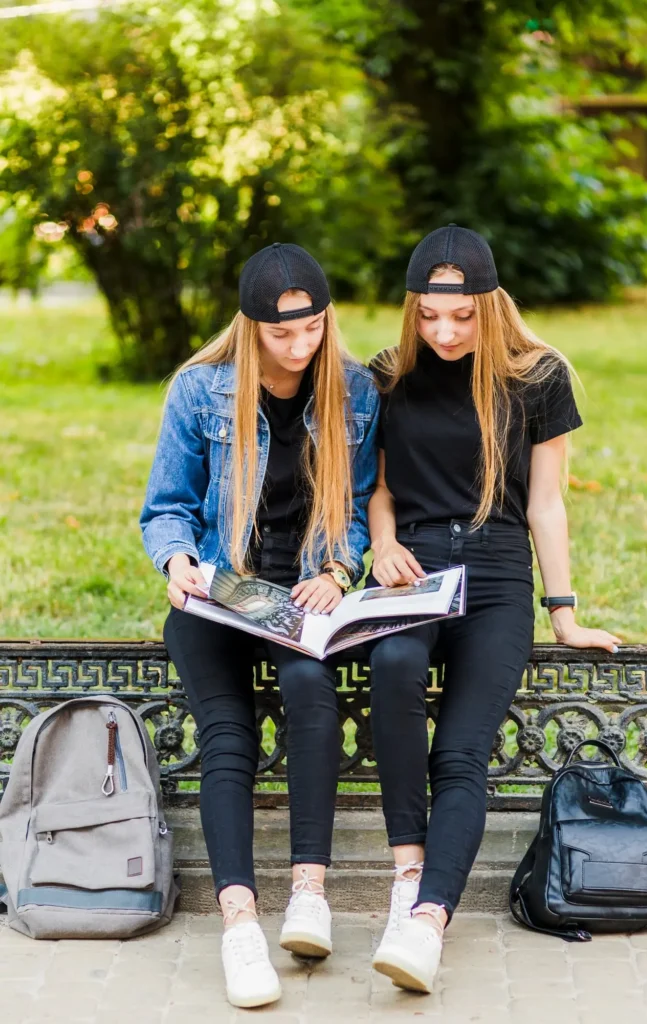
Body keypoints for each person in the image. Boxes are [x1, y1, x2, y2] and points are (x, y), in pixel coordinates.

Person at [366, 225, 621, 994]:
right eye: (428, 316)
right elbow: (375, 488)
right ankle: (406, 879)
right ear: (413, 309)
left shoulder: (539, 378)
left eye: (461, 317)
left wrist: (564, 613)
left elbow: (546, 505)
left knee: (462, 751)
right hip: (411, 570)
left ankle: (428, 922)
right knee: (395, 669)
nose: (444, 332)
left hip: (497, 570)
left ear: (489, 303)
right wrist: (381, 547)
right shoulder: (387, 376)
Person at [140, 243, 379, 1008]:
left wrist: (338, 572)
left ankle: (310, 892)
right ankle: (239, 922)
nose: (300, 345)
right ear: (251, 328)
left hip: (297, 600)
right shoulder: (200, 391)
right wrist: (176, 560)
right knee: (227, 732)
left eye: (312, 329)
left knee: (314, 695)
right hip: (218, 595)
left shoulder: (355, 392)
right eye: (282, 334)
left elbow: (357, 506)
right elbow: (168, 504)